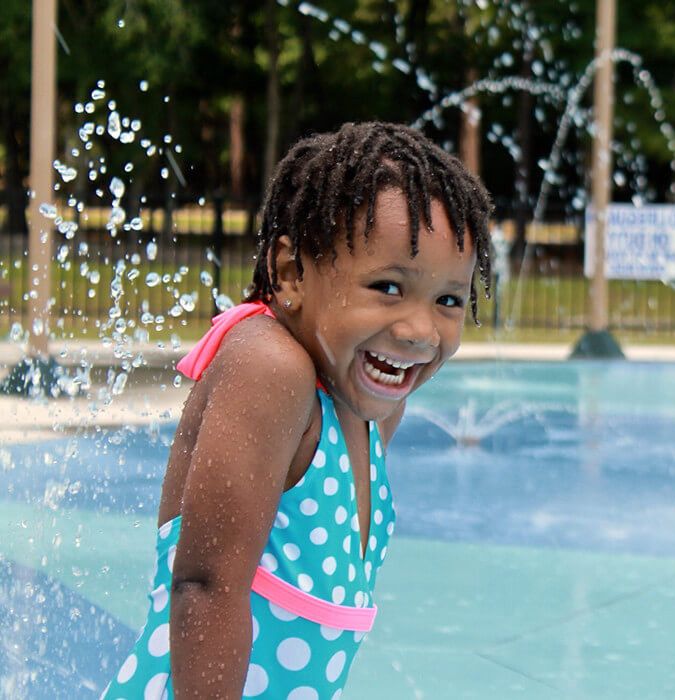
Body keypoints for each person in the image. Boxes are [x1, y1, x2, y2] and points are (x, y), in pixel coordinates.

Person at [102, 122, 493, 698]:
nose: (419, 331)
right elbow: (205, 588)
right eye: (388, 286)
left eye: (448, 300)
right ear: (290, 272)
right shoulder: (270, 367)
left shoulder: (368, 406)